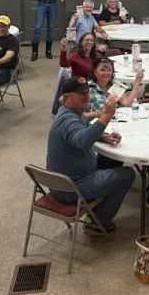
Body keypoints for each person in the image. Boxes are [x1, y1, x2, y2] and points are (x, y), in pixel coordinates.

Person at [46, 76, 135, 232]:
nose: (87, 96)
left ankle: (97, 207)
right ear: (67, 98)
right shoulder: (68, 120)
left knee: (112, 157)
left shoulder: (71, 111)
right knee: (128, 174)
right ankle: (99, 222)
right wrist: (107, 115)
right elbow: (82, 141)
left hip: (68, 178)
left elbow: (84, 132)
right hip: (72, 187)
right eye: (81, 94)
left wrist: (103, 137)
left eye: (87, 92)